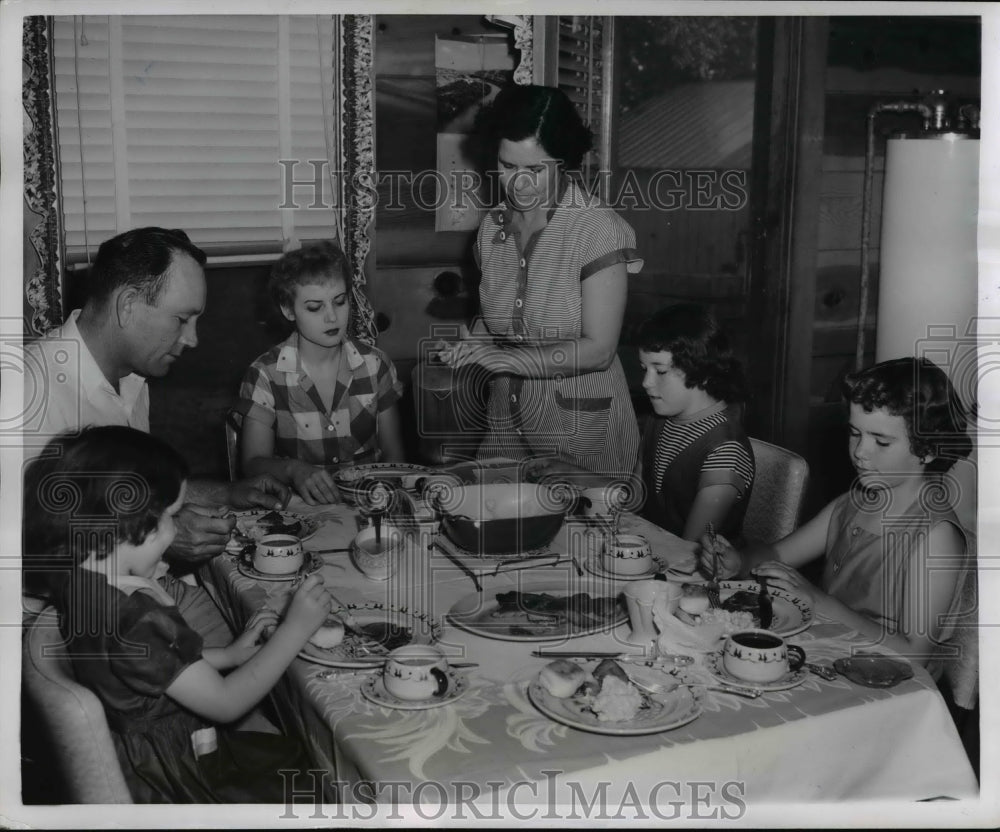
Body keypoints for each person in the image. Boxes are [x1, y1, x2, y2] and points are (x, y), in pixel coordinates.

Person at [23, 426, 330, 803]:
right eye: (171, 515)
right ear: (128, 527)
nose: (175, 527)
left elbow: (161, 670)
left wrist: (230, 655)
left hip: (148, 748)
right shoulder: (134, 618)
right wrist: (295, 630)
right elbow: (226, 702)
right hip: (173, 776)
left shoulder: (82, 587)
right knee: (314, 784)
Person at [22, 227, 290, 645]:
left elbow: (126, 494)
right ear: (128, 305)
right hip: (79, 630)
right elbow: (27, 546)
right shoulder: (28, 389)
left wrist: (224, 493)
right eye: (182, 319)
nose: (193, 339)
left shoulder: (132, 379)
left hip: (149, 596)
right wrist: (159, 533)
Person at [703, 357, 972, 666]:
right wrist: (739, 561)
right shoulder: (854, 502)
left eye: (881, 442)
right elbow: (777, 555)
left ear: (926, 449)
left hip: (890, 684)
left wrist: (820, 602)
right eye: (855, 433)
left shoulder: (935, 536)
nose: (860, 451)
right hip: (833, 655)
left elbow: (915, 654)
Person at [439, 84, 642, 477]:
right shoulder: (491, 228)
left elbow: (599, 349)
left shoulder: (596, 229)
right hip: (507, 427)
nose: (519, 185)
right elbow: (497, 322)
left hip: (583, 437)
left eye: (535, 170)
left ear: (564, 162)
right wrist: (471, 346)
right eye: (508, 166)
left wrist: (509, 359)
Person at [235, 241, 405, 505]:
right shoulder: (265, 375)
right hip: (299, 512)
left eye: (339, 302)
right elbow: (252, 464)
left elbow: (395, 459)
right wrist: (294, 469)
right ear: (288, 310)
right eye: (315, 307)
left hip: (369, 505)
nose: (332, 317)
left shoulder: (375, 365)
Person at [634, 304, 755, 542]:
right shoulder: (657, 420)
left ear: (701, 369)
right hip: (652, 554)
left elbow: (690, 550)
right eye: (643, 369)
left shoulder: (724, 451)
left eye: (660, 371)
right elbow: (635, 500)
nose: (646, 382)